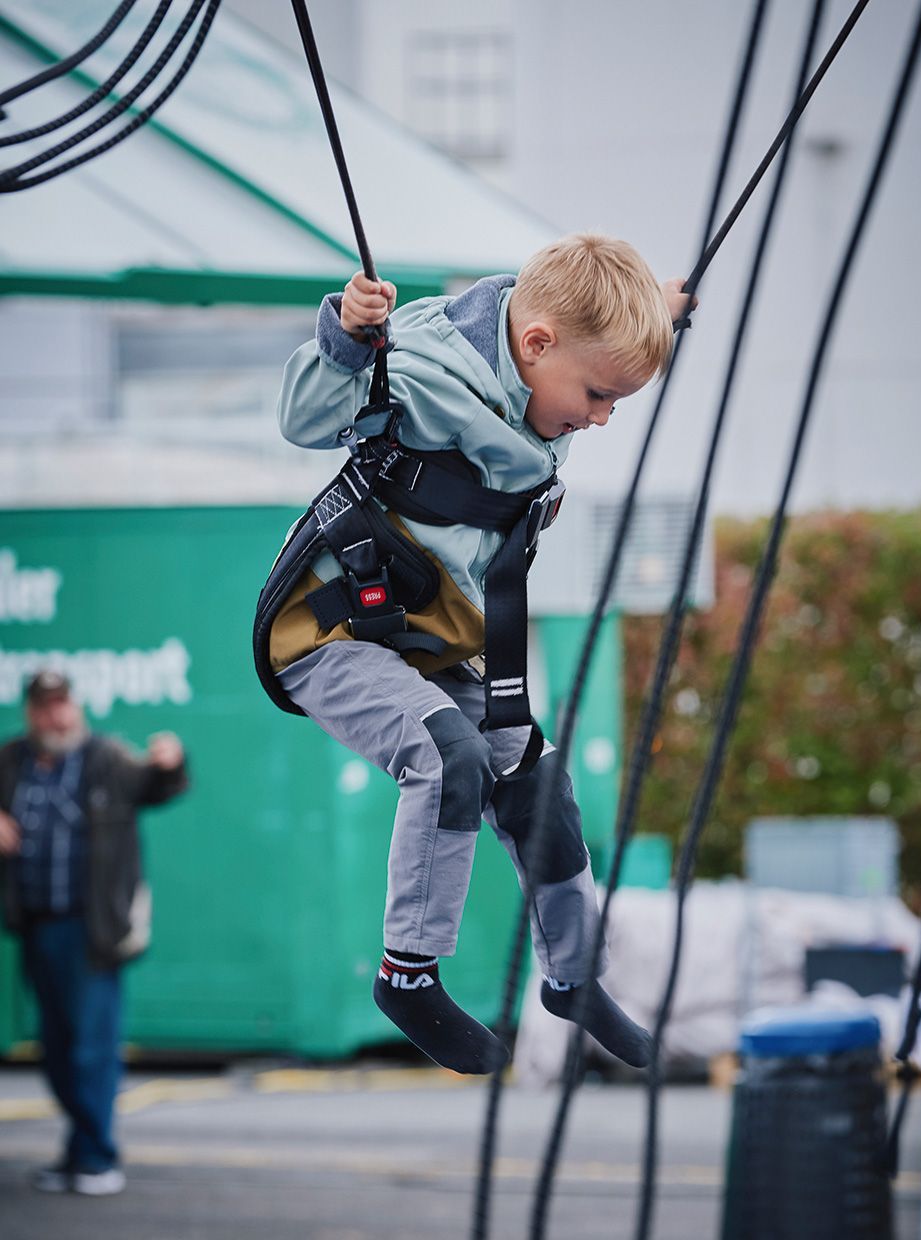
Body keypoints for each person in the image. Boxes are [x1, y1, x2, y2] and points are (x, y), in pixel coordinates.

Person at [269, 233, 693, 1074]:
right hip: (327, 632)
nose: (602, 418)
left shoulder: (545, 362)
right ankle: (408, 974)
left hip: (425, 639)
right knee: (446, 756)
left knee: (535, 780)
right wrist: (347, 341)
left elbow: (590, 330)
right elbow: (306, 418)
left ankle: (573, 977)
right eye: (599, 396)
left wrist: (655, 308)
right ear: (535, 347)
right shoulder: (417, 368)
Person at [0, 670, 188, 1194]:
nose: (55, 716)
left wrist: (171, 763)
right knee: (55, 1048)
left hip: (92, 930)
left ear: (76, 708)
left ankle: (96, 1158)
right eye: (44, 707)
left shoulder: (104, 757)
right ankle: (79, 1151)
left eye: (62, 705)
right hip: (36, 925)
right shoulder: (11, 761)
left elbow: (154, 784)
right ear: (31, 713)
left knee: (92, 1048)